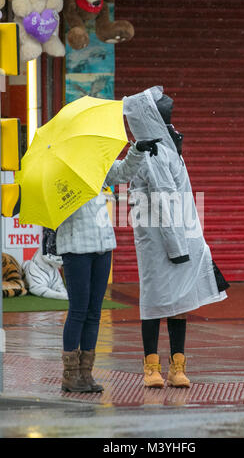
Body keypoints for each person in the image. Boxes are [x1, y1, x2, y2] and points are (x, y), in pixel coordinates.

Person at [123, 86, 228, 388]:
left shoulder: (167, 145)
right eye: (160, 105)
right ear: (151, 116)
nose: (167, 105)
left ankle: (176, 366)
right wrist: (177, 246)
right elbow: (163, 201)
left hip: (179, 236)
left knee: (179, 301)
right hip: (162, 241)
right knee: (155, 301)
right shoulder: (153, 152)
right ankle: (152, 367)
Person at [56, 138, 160, 393]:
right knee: (78, 311)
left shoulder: (97, 166)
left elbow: (124, 171)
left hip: (103, 247)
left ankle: (86, 374)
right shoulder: (61, 174)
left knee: (94, 312)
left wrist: (137, 150)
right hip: (76, 248)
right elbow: (57, 209)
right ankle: (70, 375)